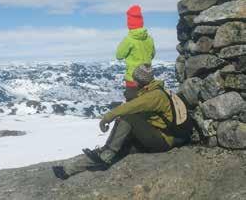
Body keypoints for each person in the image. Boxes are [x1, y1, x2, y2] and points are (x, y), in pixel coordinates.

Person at [52, 64, 192, 180]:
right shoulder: (157, 90)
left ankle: (105, 156)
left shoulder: (154, 96)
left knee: (127, 118)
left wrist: (107, 117)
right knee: (120, 148)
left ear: (138, 80)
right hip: (164, 137)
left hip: (164, 140)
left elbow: (128, 108)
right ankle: (68, 171)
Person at [116, 5, 156, 101]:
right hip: (147, 79)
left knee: (132, 106)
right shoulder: (149, 39)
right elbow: (153, 54)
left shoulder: (129, 40)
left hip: (133, 79)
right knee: (146, 105)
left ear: (129, 23)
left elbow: (119, 55)